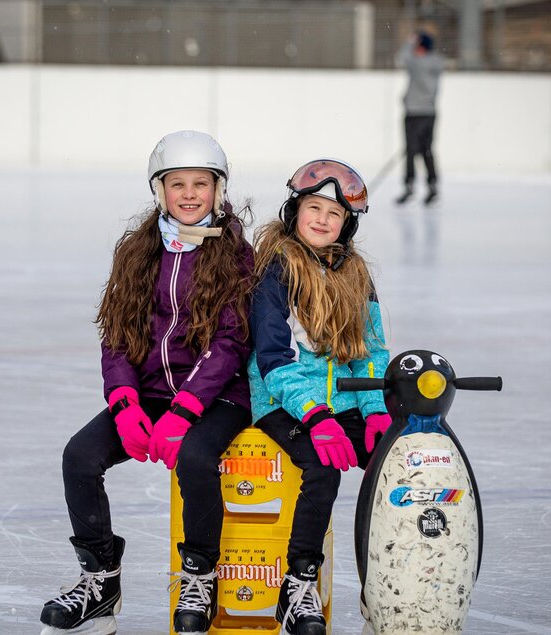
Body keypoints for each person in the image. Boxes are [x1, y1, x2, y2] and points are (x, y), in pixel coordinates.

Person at [40, 130, 254, 635]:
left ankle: (200, 576)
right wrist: (123, 401)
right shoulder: (138, 251)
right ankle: (100, 583)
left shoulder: (235, 255)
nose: (188, 194)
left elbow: (229, 342)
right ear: (159, 189)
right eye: (176, 183)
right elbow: (117, 331)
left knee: (198, 460)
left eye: (200, 184)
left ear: (217, 190)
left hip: (218, 395)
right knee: (80, 457)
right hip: (149, 393)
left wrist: (184, 412)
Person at [247, 159, 391, 635]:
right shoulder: (277, 271)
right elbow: (273, 357)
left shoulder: (355, 273)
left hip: (346, 400)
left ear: (347, 224)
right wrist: (316, 416)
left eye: (334, 213)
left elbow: (371, 350)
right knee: (322, 465)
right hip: (284, 401)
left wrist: (374, 410)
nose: (323, 219)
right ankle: (298, 581)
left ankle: (391, 582)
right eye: (314, 207)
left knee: (395, 459)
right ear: (296, 211)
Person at [396, 31, 445, 206]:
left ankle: (409, 186)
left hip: (414, 113)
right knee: (427, 150)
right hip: (430, 113)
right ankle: (432, 185)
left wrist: (409, 41)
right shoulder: (437, 62)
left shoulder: (418, 63)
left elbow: (401, 58)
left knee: (411, 151)